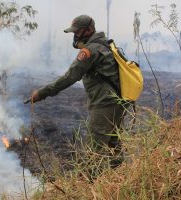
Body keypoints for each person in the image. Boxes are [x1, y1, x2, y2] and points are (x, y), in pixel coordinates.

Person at [31, 15, 126, 167]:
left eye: (77, 32)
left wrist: (42, 93)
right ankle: (121, 181)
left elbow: (70, 76)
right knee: (113, 145)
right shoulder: (105, 44)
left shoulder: (90, 50)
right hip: (118, 103)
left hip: (104, 105)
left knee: (94, 152)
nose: (75, 36)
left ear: (88, 30)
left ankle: (92, 187)